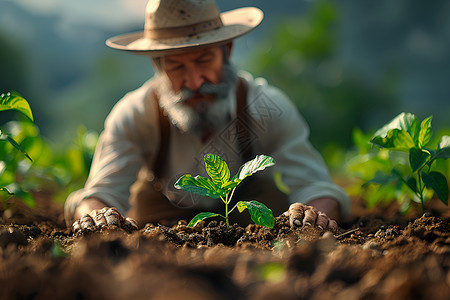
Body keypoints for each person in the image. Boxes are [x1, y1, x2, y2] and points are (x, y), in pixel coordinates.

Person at [65, 0, 351, 233]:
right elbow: (100, 192)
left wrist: (315, 215)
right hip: (163, 206)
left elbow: (316, 186)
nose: (195, 81)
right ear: (158, 65)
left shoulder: (265, 107)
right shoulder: (135, 114)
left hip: (249, 204)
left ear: (226, 51)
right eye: (176, 67)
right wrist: (95, 216)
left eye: (204, 61)